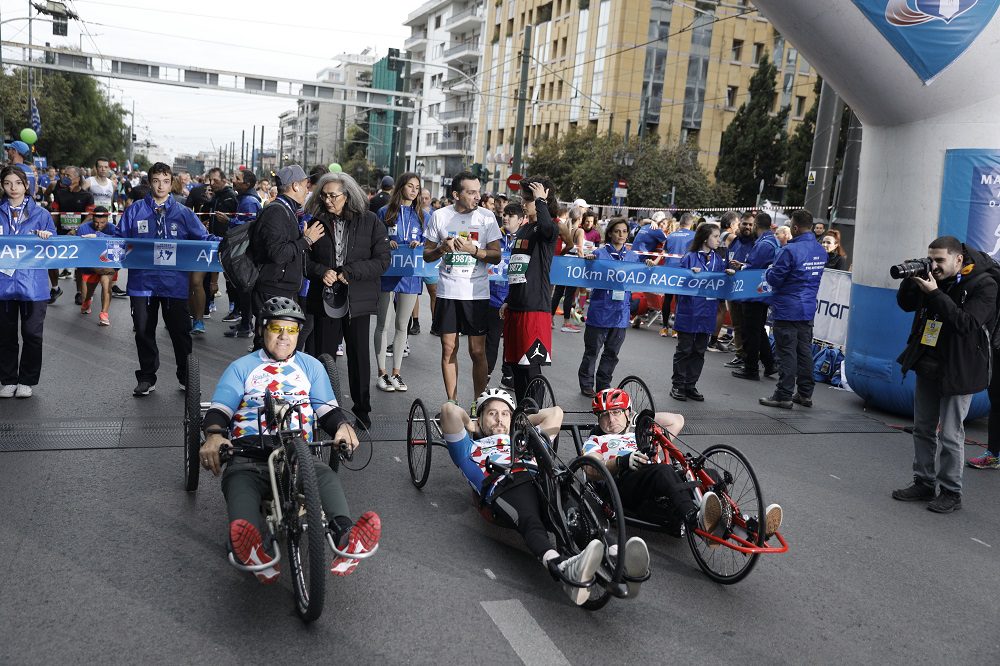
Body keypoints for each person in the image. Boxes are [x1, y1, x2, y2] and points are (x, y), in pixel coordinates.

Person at [197, 297, 381, 582]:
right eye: (276, 328)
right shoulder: (242, 367)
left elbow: (327, 411)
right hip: (250, 453)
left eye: (292, 330)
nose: (284, 336)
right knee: (239, 482)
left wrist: (343, 427)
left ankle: (346, 539)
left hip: (299, 453)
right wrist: (214, 436)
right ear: (262, 329)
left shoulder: (311, 367)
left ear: (299, 333)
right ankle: (253, 546)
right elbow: (220, 409)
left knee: (325, 476)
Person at [440, 388, 650, 604]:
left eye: (505, 413)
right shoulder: (468, 448)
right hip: (506, 485)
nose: (499, 419)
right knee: (530, 518)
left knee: (574, 509)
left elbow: (555, 413)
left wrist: (519, 420)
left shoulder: (528, 441)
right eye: (492, 413)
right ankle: (561, 566)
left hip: (543, 477)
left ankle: (615, 552)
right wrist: (470, 424)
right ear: (480, 419)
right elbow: (449, 411)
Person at [584, 388, 784, 545]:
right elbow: (590, 469)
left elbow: (676, 421)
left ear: (627, 412)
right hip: (624, 483)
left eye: (616, 412)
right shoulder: (595, 440)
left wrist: (639, 419)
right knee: (663, 472)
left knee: (706, 473)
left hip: (658, 477)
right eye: (604, 415)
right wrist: (621, 461)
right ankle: (695, 519)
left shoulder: (640, 433)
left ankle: (745, 528)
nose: (611, 420)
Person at [892, 237, 997, 513]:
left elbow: (968, 324)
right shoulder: (933, 277)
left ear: (958, 259)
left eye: (940, 261)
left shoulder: (984, 284)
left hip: (960, 367)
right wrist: (911, 279)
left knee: (950, 433)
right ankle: (923, 482)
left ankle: (951, 491)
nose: (934, 266)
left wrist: (935, 293)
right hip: (928, 360)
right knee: (923, 427)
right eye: (931, 259)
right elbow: (905, 305)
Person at [115, 162, 216, 396]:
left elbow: (203, 236)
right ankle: (147, 377)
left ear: (172, 183)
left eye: (166, 181)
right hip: (142, 283)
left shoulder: (183, 212)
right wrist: (93, 235)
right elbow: (118, 237)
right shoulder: (135, 210)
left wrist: (224, 240)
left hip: (174, 284)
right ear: (150, 182)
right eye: (156, 181)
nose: (161, 186)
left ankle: (186, 377)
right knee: (142, 331)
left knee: (180, 332)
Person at [303, 172, 390, 429]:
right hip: (325, 298)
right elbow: (304, 259)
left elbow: (382, 261)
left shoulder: (371, 221)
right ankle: (325, 410)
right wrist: (321, 271)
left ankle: (362, 410)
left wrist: (350, 272)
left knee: (359, 356)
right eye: (324, 195)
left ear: (347, 195)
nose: (328, 200)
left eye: (333, 196)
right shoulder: (316, 222)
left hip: (357, 298)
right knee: (323, 357)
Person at [423, 171, 502, 405]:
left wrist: (473, 250)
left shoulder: (487, 218)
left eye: (478, 191)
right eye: (471, 192)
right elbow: (427, 255)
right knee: (449, 349)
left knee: (477, 352)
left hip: (476, 293)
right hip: (448, 291)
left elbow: (496, 256)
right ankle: (453, 403)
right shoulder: (439, 216)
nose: (477, 196)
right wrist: (441, 250)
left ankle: (479, 405)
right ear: (456, 194)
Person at [758, 210, 827, 409]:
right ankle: (805, 394)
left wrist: (770, 270)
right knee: (804, 351)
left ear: (795, 228)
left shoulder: (789, 250)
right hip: (807, 308)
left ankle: (783, 394)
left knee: (786, 352)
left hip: (787, 307)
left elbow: (774, 278)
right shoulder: (820, 250)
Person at [499, 178, 559, 404]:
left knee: (531, 368)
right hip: (515, 307)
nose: (524, 203)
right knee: (516, 367)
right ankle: (523, 417)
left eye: (528, 199)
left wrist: (541, 200)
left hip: (535, 309)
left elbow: (547, 228)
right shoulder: (523, 229)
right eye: (524, 198)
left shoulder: (548, 228)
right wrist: (508, 299)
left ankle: (536, 420)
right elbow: (517, 269)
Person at [251, 164, 324, 348]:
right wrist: (306, 240)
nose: (308, 190)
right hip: (273, 288)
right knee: (270, 344)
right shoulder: (276, 210)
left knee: (281, 342)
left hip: (282, 287)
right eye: (306, 185)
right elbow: (278, 253)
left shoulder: (287, 209)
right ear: (295, 186)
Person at [0, 166, 56, 398]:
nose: (13, 188)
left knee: (32, 334)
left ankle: (27, 380)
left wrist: (47, 237)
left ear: (26, 186)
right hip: (3, 283)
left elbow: (55, 245)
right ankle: (8, 379)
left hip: (34, 284)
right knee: (5, 334)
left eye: (18, 183)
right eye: (7, 183)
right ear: (2, 186)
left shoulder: (41, 214)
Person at [578, 218, 642, 397]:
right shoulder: (599, 254)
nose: (621, 235)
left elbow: (642, 276)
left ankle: (604, 384)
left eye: (624, 231)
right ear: (610, 233)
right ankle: (586, 384)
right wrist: (588, 261)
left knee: (612, 353)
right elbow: (585, 275)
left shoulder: (632, 257)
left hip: (621, 314)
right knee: (592, 351)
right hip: (600, 311)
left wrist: (649, 267)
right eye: (617, 231)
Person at [374, 172, 423, 393]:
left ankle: (396, 373)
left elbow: (428, 242)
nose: (414, 190)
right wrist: (387, 243)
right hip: (388, 272)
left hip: (411, 274)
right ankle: (381, 373)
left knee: (403, 325)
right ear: (401, 187)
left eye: (417, 187)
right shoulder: (385, 212)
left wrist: (418, 242)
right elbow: (376, 241)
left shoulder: (422, 215)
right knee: (383, 323)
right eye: (410, 186)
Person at [671, 224, 725, 402]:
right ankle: (678, 385)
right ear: (704, 238)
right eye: (716, 236)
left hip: (707, 312)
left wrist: (729, 275)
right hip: (689, 310)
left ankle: (690, 385)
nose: (719, 240)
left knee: (699, 350)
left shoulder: (719, 260)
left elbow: (722, 285)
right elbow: (677, 281)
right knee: (684, 349)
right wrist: (688, 275)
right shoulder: (689, 257)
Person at [732, 213, 779, 381]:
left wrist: (742, 268)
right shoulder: (771, 241)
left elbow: (754, 269)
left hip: (754, 292)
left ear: (757, 224)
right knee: (758, 330)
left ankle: (751, 368)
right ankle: (769, 364)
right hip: (762, 292)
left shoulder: (763, 244)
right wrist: (745, 265)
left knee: (750, 331)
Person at [222, 169, 263, 338]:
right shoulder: (244, 199)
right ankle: (245, 322)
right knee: (242, 288)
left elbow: (247, 226)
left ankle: (247, 325)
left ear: (246, 184)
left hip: (245, 251)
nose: (233, 180)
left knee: (245, 287)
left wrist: (228, 220)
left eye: (237, 178)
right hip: (243, 249)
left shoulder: (249, 201)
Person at [486, 202, 523, 389]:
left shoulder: (525, 240)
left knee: (511, 340)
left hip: (514, 297)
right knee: (492, 339)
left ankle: (508, 375)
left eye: (511, 215)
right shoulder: (494, 236)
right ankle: (485, 373)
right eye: (505, 214)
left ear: (521, 220)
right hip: (492, 296)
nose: (506, 217)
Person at [50, 166, 95, 305]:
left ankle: (80, 293)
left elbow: (89, 216)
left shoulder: (87, 196)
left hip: (78, 235)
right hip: (61, 234)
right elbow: (55, 214)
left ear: (77, 178)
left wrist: (77, 229)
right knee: (51, 262)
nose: (65, 177)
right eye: (63, 174)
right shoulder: (59, 193)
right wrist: (51, 230)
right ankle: (55, 288)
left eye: (68, 175)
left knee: (79, 265)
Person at [725, 213, 757, 369]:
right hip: (732, 289)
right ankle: (739, 355)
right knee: (736, 324)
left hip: (747, 291)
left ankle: (749, 357)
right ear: (739, 225)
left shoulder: (756, 244)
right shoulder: (735, 242)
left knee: (747, 326)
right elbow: (726, 261)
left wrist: (742, 266)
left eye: (751, 225)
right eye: (745, 224)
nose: (748, 227)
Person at [77, 206, 118, 326]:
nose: (99, 225)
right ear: (92, 218)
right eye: (96, 222)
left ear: (107, 219)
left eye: (102, 223)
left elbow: (120, 242)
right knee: (89, 291)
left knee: (106, 285)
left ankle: (104, 314)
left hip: (106, 264)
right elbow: (79, 249)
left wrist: (99, 236)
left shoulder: (113, 228)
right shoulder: (83, 228)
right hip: (89, 263)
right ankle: (87, 301)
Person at [659, 213, 696, 337]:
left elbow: (665, 252)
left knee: (668, 298)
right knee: (680, 300)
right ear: (691, 224)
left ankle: (664, 327)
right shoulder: (694, 236)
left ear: (680, 223)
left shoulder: (671, 235)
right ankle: (676, 328)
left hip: (669, 270)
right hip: (684, 271)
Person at [550, 207, 585, 333]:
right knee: (570, 293)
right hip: (574, 264)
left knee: (558, 293)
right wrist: (584, 261)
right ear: (580, 218)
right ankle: (566, 322)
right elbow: (580, 248)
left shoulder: (565, 226)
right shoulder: (579, 231)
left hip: (562, 262)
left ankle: (550, 318)